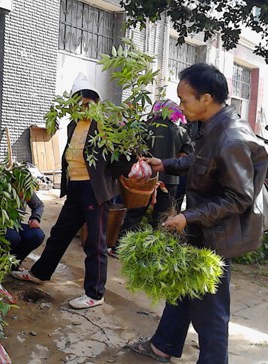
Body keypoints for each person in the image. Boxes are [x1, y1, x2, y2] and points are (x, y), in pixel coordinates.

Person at [127, 63, 268, 363]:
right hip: (202, 227)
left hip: (217, 235)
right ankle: (163, 345)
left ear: (206, 98)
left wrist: (187, 217)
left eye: (184, 99)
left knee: (211, 312)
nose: (180, 106)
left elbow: (238, 198)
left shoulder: (231, 138)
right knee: (181, 287)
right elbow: (200, 160)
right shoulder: (211, 126)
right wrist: (164, 164)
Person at [11, 74, 132, 309]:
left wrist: (109, 175)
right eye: (80, 104)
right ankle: (41, 273)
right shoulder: (73, 125)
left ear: (97, 103)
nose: (84, 108)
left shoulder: (106, 126)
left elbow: (129, 156)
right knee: (59, 234)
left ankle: (95, 294)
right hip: (76, 187)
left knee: (95, 243)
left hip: (95, 191)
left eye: (89, 103)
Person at [108, 99, 194, 257]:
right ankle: (155, 253)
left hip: (145, 179)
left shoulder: (145, 127)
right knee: (161, 218)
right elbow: (187, 153)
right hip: (170, 180)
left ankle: (119, 248)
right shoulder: (180, 131)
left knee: (135, 213)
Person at [6, 192, 45, 269]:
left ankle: (13, 264)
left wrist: (35, 218)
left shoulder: (24, 187)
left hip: (15, 225)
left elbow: (39, 205)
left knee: (37, 235)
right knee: (13, 237)